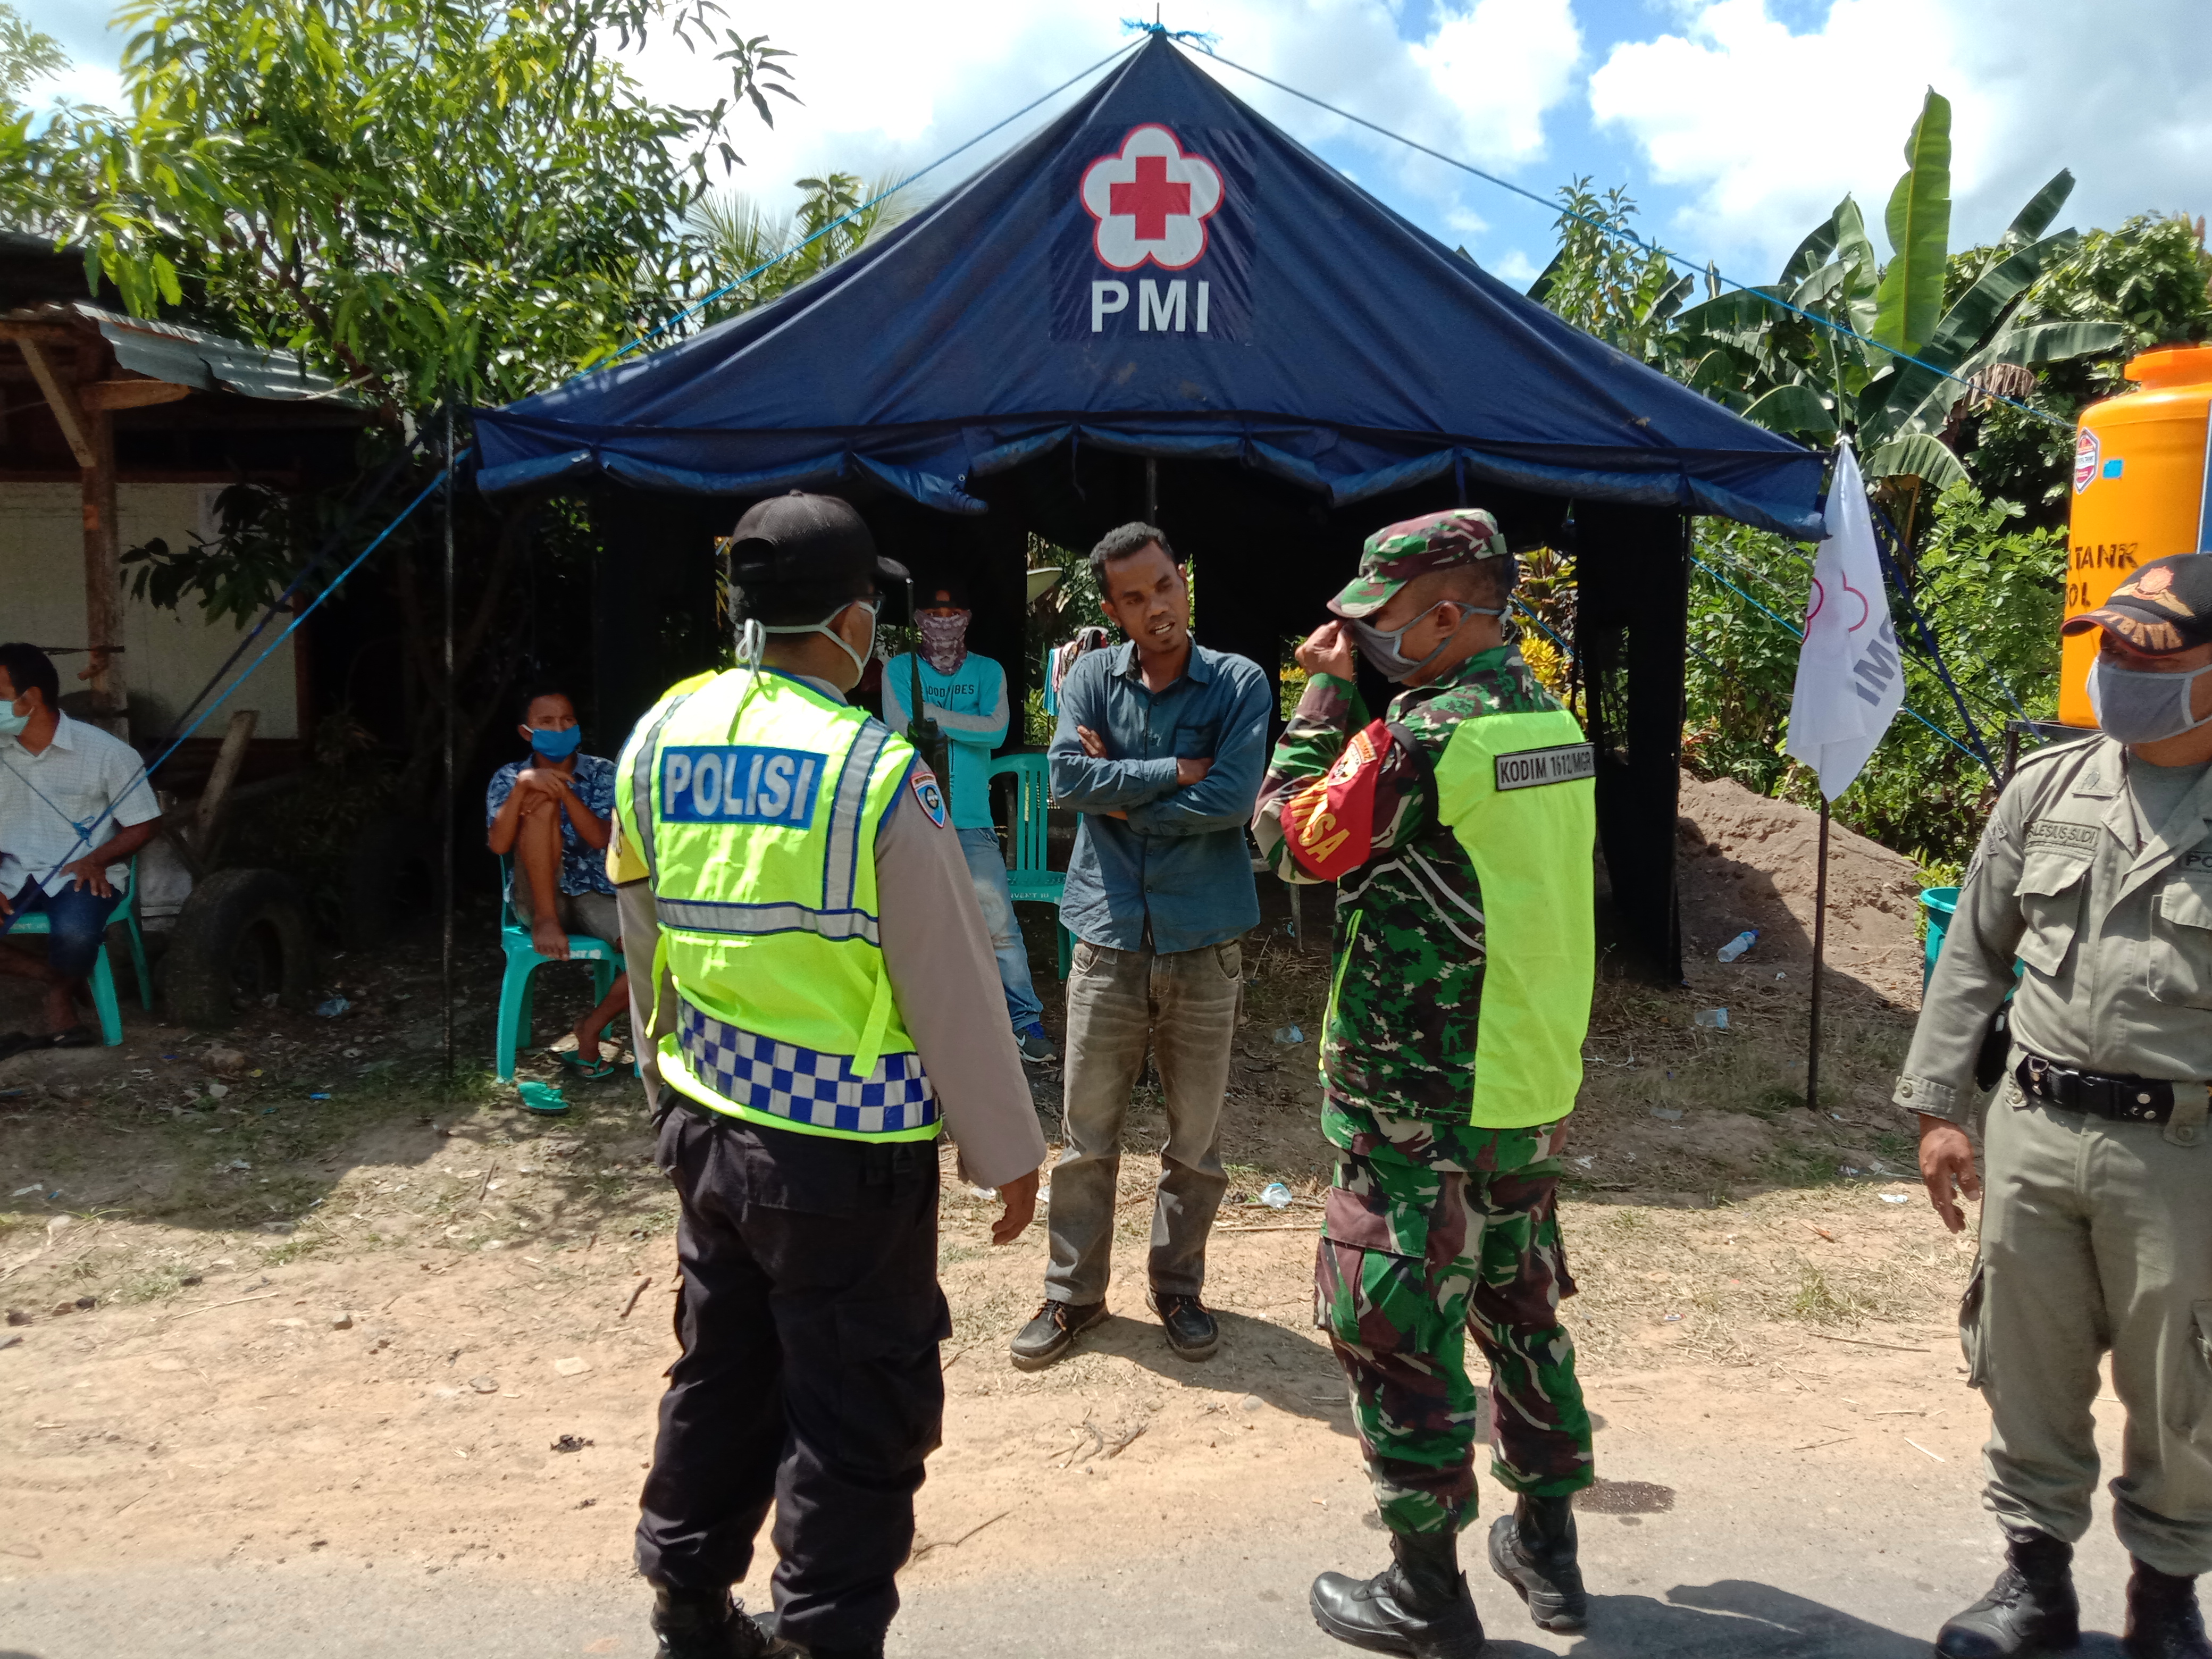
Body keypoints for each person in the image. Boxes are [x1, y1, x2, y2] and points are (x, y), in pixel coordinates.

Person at [608, 491, 1046, 1659]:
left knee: (722, 1375)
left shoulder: (661, 733)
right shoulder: (873, 771)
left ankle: (688, 1612)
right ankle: (823, 1639)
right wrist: (1005, 1153)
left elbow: (641, 925)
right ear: (856, 621)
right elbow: (948, 981)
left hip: (707, 1131)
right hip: (843, 1164)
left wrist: (663, 1090)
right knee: (855, 1414)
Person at [1252, 508, 1599, 1651]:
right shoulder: (1551, 724)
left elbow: (1292, 840)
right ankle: (1547, 1551)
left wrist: (1315, 709)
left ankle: (1423, 1591)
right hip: (1526, 1086)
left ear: (1448, 616)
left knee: (1396, 1326)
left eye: (1381, 622)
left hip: (1422, 1096)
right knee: (1521, 1308)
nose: (1362, 641)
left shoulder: (1423, 738)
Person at [1901, 552, 2212, 1659]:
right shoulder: (2048, 787)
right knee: (2022, 1361)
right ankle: (2033, 1583)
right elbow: (1972, 957)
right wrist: (1940, 1108)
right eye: (2109, 644)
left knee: (2182, 1381)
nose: (2117, 667)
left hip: (2184, 1151)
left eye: (2150, 651)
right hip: (2031, 1127)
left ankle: (2166, 1592)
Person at [1009, 522, 1270, 1371]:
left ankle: (1179, 1289)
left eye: (1164, 585)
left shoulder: (1237, 684)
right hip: (1107, 937)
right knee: (1086, 1135)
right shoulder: (1088, 677)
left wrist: (1118, 793)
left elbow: (1233, 802)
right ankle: (1072, 1296)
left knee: (1195, 1141)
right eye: (1134, 597)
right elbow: (1065, 781)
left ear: (1182, 578)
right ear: (1113, 607)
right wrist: (1173, 772)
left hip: (1204, 942)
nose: (1155, 607)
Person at [881, 580, 1057, 1065]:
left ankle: (1024, 1021)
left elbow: (997, 730)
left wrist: (931, 714)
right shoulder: (899, 669)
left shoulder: (987, 671)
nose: (943, 621)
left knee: (999, 924)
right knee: (911, 922)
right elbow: (899, 726)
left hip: (973, 822)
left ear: (968, 617)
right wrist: (962, 724)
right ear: (918, 619)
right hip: (911, 816)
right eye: (934, 613)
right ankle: (914, 1025)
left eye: (953, 610)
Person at [0, 642, 160, 1053]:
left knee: (74, 933)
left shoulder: (107, 753)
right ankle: (57, 980)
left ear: (29, 699)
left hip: (85, 873)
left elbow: (143, 824)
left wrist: (97, 858)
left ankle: (59, 993)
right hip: (14, 872)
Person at [484, 687, 629, 1075]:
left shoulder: (602, 772)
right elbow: (498, 844)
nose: (559, 728)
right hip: (537, 896)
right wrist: (524, 788)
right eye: (547, 722)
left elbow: (601, 839)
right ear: (527, 733)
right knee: (539, 802)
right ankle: (548, 919)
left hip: (597, 893)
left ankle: (591, 1028)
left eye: (567, 720)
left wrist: (563, 791)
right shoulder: (510, 776)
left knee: (651, 953)